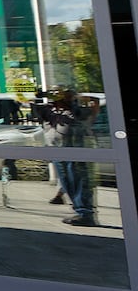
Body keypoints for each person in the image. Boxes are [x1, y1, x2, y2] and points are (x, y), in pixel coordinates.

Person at [39, 90, 98, 227]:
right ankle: (80, 211)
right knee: (68, 183)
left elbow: (94, 105)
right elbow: (41, 114)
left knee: (78, 182)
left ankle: (85, 213)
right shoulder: (51, 111)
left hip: (74, 151)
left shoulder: (76, 111)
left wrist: (73, 99)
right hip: (58, 151)